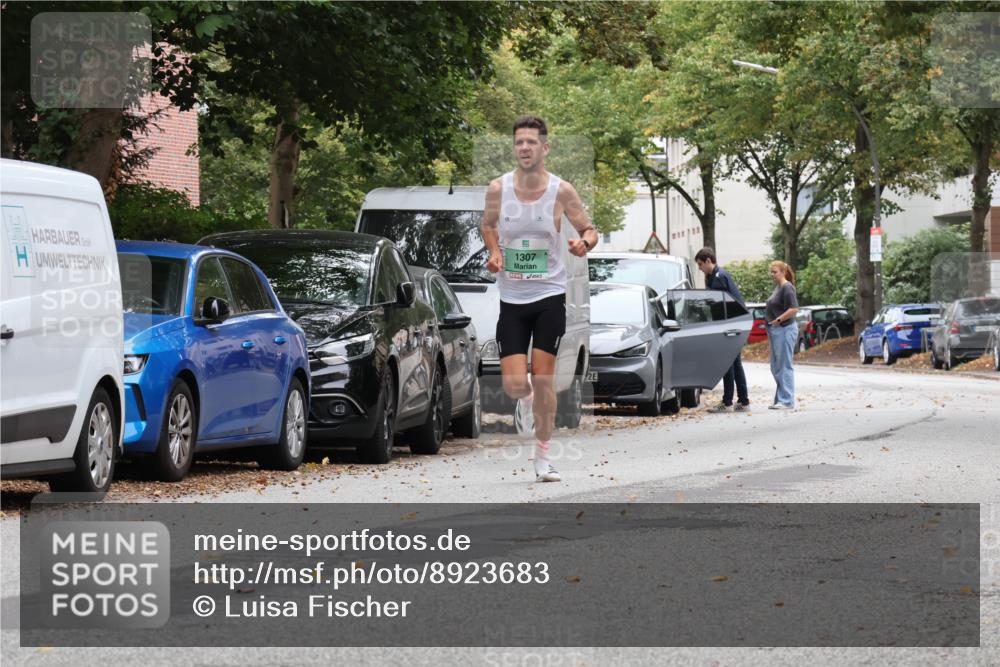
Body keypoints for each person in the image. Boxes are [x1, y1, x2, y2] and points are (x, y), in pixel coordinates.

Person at [481, 115, 599, 482]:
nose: (524, 148)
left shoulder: (561, 191)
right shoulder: (497, 189)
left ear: (544, 148)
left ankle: (543, 457)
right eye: (519, 142)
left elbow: (589, 229)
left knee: (544, 380)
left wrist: (584, 244)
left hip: (549, 296)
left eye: (531, 142)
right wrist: (495, 251)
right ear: (513, 147)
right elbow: (488, 224)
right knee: (517, 385)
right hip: (512, 301)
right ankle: (529, 398)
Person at [695, 247, 750, 412]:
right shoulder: (718, 275)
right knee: (735, 363)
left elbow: (717, 304)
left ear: (708, 261)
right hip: (736, 323)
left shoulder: (718, 278)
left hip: (730, 325)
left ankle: (727, 402)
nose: (699, 268)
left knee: (727, 363)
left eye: (700, 264)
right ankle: (743, 401)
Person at [765, 260, 799, 410]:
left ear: (783, 272)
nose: (772, 275)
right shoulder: (778, 288)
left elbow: (793, 309)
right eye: (771, 272)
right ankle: (780, 398)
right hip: (776, 331)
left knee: (784, 365)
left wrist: (778, 320)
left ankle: (787, 401)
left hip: (785, 329)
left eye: (775, 272)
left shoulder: (787, 288)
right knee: (776, 366)